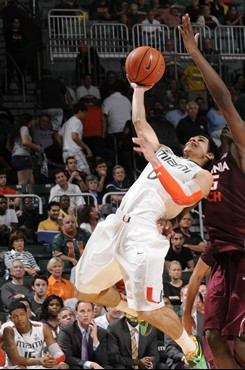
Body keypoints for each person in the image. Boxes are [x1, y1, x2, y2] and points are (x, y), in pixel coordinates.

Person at [75, 73, 217, 368]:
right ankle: (132, 308)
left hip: (143, 232)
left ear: (209, 154)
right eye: (192, 136)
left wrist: (153, 159)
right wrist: (138, 90)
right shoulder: (165, 152)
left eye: (201, 139)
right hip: (115, 224)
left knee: (152, 310)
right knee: (85, 289)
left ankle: (193, 352)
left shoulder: (202, 175)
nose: (193, 139)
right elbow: (140, 124)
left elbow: (181, 197)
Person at [179, 14, 245, 368]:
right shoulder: (206, 171)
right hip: (222, 258)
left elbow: (223, 99)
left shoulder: (241, 150)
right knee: (214, 339)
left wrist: (194, 53)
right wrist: (186, 313)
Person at [3, 301, 67, 368]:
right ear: (11, 319)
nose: (19, 319)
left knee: (63, 366)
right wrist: (39, 361)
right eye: (15, 317)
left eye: (22, 315)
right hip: (18, 366)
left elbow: (59, 354)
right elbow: (14, 360)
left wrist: (50, 360)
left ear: (27, 314)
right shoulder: (9, 331)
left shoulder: (43, 328)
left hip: (39, 365)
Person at [57, 301, 108, 369]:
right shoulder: (66, 330)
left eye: (89, 311)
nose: (86, 314)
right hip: (75, 366)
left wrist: (95, 339)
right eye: (82, 311)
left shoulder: (101, 332)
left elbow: (103, 361)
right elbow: (66, 357)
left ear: (93, 314)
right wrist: (89, 364)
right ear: (76, 314)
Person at [8, 113, 42, 184]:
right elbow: (25, 142)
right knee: (23, 185)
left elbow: (8, 145)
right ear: (29, 121)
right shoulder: (24, 128)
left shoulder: (19, 130)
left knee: (31, 183)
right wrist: (37, 148)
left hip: (21, 157)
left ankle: (30, 195)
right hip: (21, 158)